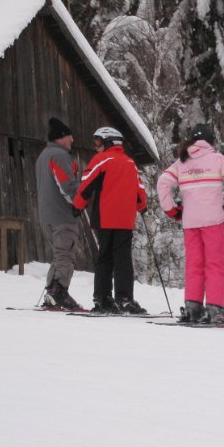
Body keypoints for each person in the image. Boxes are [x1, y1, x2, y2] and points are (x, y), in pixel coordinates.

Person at [156, 124, 224, 324]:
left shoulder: (182, 161)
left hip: (190, 221)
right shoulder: (217, 159)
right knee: (215, 264)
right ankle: (215, 308)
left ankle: (193, 308)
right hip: (213, 219)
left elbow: (163, 182)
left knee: (194, 264)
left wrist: (171, 210)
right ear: (210, 140)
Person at [73, 126, 148, 314]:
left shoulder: (101, 160)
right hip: (125, 219)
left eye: (98, 141)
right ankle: (124, 298)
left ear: (109, 142)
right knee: (123, 259)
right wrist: (142, 207)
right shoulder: (130, 163)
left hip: (104, 218)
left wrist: (77, 205)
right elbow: (140, 193)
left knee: (104, 257)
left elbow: (86, 184)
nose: (96, 146)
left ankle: (103, 298)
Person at [35, 117, 82, 309]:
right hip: (62, 215)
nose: (72, 140)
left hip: (46, 215)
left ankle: (51, 293)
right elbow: (67, 186)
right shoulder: (59, 156)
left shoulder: (43, 156)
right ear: (61, 137)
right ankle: (59, 292)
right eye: (69, 137)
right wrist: (80, 200)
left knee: (58, 255)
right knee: (65, 255)